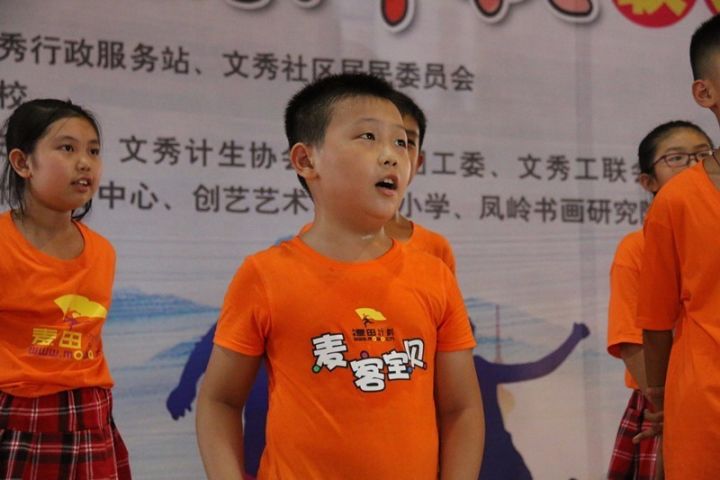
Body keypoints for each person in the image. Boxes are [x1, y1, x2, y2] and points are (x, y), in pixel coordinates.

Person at [196, 73, 484, 479]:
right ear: (305, 160)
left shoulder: (434, 276)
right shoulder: (265, 275)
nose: (392, 156)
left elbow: (461, 409)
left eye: (401, 142)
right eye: (368, 137)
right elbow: (220, 401)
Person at [0, 99, 131, 479]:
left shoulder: (103, 251)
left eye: (93, 151)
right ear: (23, 163)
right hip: (15, 417)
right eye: (67, 148)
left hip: (90, 418)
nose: (85, 163)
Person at [606, 120, 714, 480]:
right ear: (648, 181)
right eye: (676, 158)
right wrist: (667, 405)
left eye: (702, 155)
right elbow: (632, 339)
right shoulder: (635, 248)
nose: (693, 166)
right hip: (666, 403)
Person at [637, 14, 720, 479]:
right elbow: (655, 320)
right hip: (705, 409)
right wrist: (660, 401)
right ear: (705, 93)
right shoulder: (677, 200)